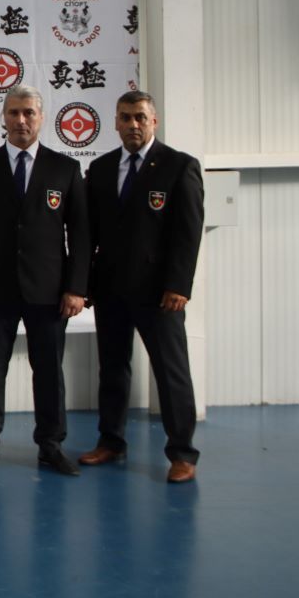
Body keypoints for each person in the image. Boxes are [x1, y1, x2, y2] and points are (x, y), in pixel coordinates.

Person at [0, 85, 90, 476]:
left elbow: (80, 235)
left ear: (41, 118)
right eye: (14, 112)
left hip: (49, 292)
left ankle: (51, 446)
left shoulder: (65, 169)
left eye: (29, 113)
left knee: (49, 372)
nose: (21, 120)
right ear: (3, 117)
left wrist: (76, 288)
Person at [79, 91, 205, 483]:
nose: (133, 124)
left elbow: (188, 232)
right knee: (113, 369)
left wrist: (179, 285)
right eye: (125, 118)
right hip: (111, 288)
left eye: (140, 117)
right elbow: (88, 234)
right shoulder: (101, 169)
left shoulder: (179, 166)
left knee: (171, 372)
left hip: (160, 293)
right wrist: (85, 284)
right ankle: (111, 441)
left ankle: (182, 452)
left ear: (154, 121)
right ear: (116, 123)